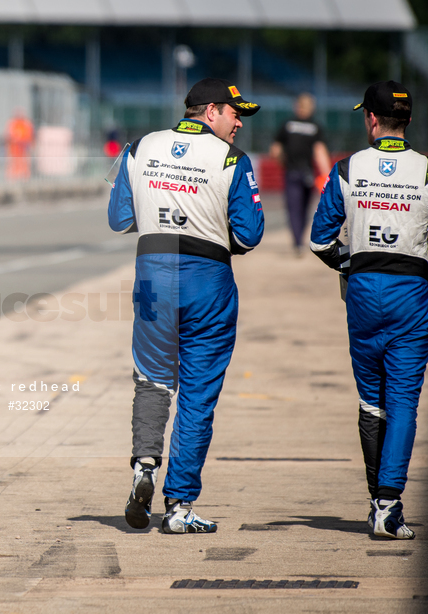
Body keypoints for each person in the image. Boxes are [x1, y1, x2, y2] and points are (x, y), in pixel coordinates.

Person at [309, 81, 428, 539]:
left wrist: (356, 263)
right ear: (410, 122)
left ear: (371, 120)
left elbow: (319, 241)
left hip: (362, 292)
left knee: (370, 400)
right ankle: (387, 503)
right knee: (402, 402)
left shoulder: (346, 168)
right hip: (411, 296)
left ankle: (375, 499)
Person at [107, 78, 264, 533]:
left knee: (152, 377)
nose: (238, 124)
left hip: (153, 272)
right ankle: (178, 507)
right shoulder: (232, 159)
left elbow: (119, 219)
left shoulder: (140, 147)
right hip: (207, 280)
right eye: (236, 114)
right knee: (197, 393)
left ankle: (144, 467)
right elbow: (249, 235)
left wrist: (161, 206)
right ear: (211, 111)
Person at [270, 93, 331, 254]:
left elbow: (275, 150)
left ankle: (297, 241)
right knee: (304, 208)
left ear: (297, 106)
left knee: (293, 208)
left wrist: (283, 163)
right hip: (308, 173)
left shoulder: (288, 124)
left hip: (291, 172)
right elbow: (320, 152)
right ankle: (300, 239)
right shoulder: (315, 126)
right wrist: (327, 175)